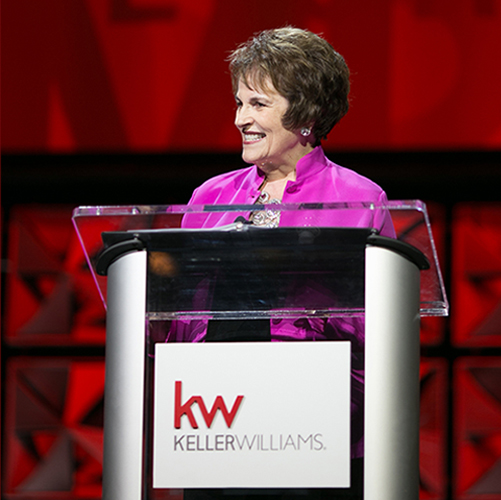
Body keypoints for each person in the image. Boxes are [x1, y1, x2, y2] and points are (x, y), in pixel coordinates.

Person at [168, 27, 395, 500]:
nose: (240, 119)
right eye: (239, 102)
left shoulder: (357, 199)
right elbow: (179, 312)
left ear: (306, 113)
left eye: (258, 103)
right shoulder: (210, 197)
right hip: (212, 418)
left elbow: (378, 330)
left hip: (311, 424)